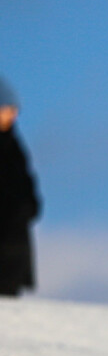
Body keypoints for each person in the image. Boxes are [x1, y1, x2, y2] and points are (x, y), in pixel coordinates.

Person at [0, 77, 40, 298]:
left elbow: (25, 178)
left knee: (10, 289)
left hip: (14, 230)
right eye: (7, 109)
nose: (12, 115)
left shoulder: (14, 144)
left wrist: (31, 205)